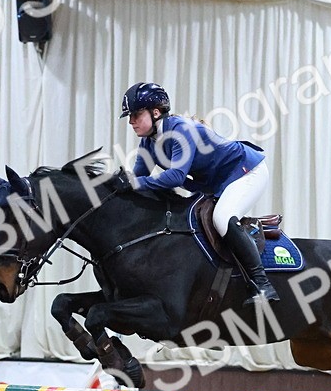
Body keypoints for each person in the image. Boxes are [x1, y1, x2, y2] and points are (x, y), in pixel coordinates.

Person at [118, 82, 278, 304]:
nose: (131, 121)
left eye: (136, 114)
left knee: (222, 218)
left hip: (246, 171)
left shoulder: (181, 130)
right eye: (129, 116)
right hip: (219, 183)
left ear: (156, 112)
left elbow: (175, 177)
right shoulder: (148, 143)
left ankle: (263, 286)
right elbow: (137, 181)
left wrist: (134, 184)